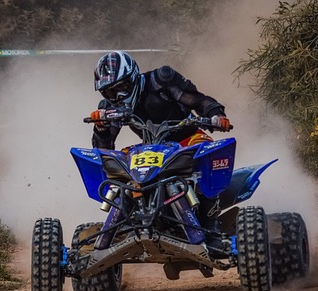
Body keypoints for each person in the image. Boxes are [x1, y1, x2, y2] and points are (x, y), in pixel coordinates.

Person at [90, 50, 232, 254]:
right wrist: (101, 127)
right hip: (151, 149)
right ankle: (123, 225)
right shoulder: (109, 107)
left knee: (208, 154)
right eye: (110, 93)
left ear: (133, 76)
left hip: (187, 140)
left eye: (121, 88)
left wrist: (216, 114)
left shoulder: (160, 81)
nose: (118, 96)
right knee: (119, 165)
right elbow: (103, 148)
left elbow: (198, 100)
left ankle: (210, 227)